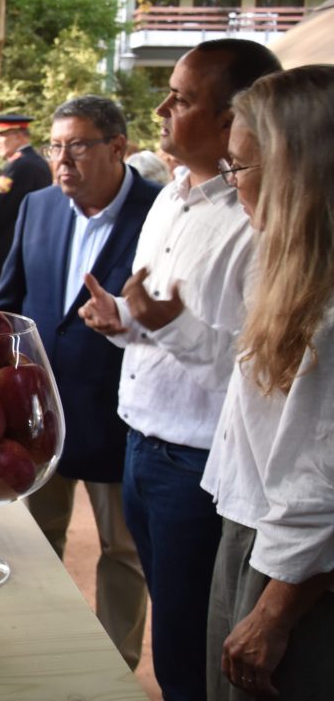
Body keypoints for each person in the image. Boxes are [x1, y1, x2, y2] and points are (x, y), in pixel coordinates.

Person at [78, 39, 282, 701]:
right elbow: (161, 325)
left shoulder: (262, 221)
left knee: (189, 654)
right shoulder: (170, 199)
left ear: (232, 121)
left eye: (183, 97)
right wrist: (125, 323)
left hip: (198, 469)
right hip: (138, 444)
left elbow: (263, 371)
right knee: (173, 628)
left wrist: (169, 325)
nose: (162, 108)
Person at [0, 95, 159, 669]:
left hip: (121, 415)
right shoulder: (37, 206)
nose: (63, 160)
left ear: (118, 147)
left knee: (124, 550)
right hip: (35, 414)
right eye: (55, 146)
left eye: (79, 146)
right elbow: (9, 303)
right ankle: (33, 652)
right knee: (33, 540)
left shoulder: (159, 213)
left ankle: (114, 667)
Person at [200, 65, 334, 700]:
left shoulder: (327, 311)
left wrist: (275, 611)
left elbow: (322, 485)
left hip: (293, 566)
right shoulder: (289, 271)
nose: (232, 187)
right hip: (261, 536)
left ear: (296, 172)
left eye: (239, 168)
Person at [0, 113, 51, 301]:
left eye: (1, 135)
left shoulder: (20, 166)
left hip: (9, 249)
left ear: (19, 136)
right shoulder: (35, 163)